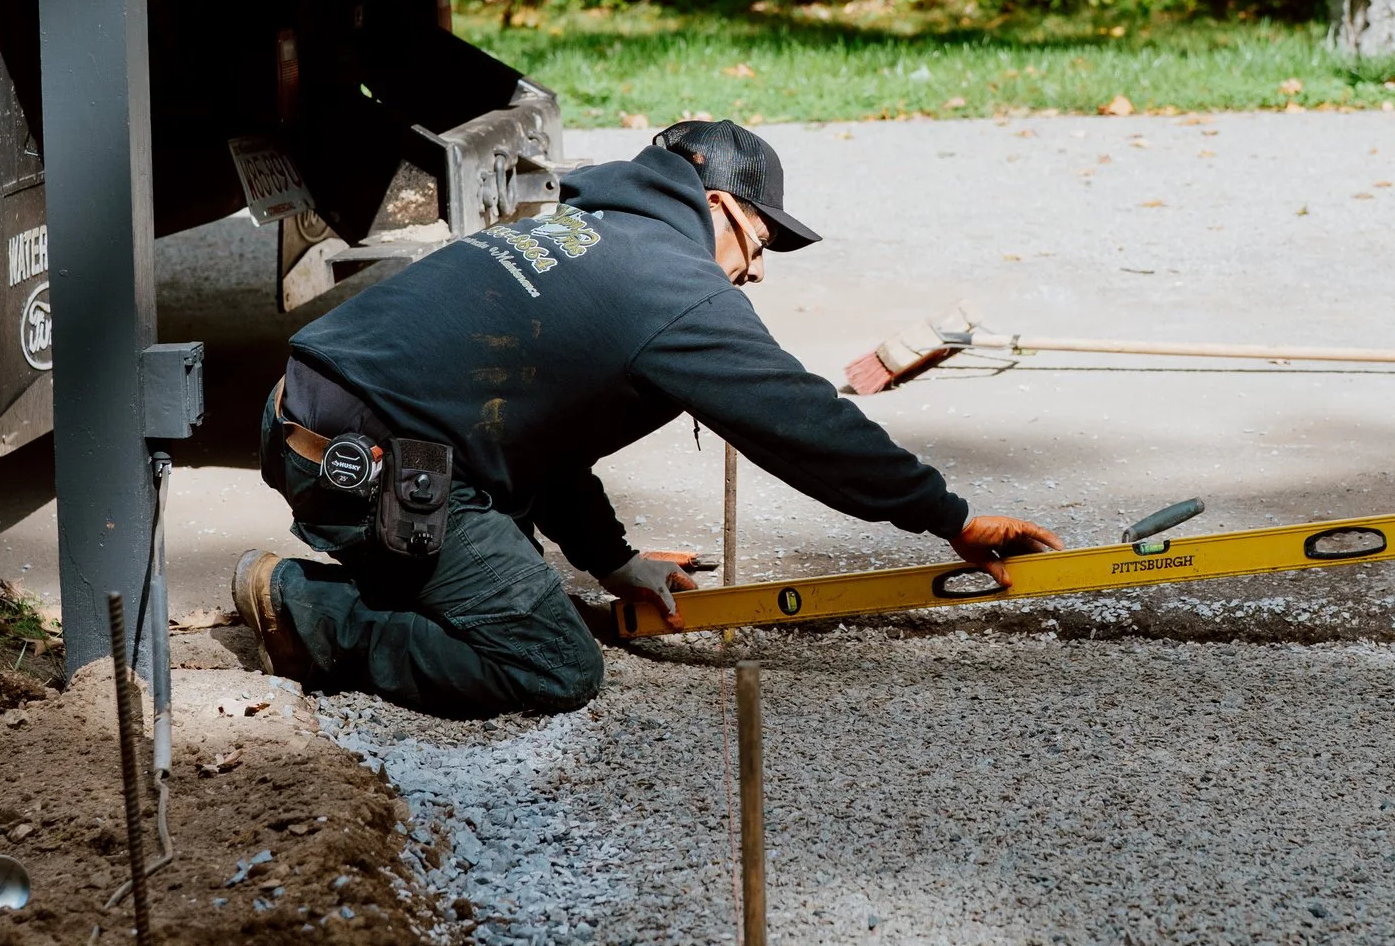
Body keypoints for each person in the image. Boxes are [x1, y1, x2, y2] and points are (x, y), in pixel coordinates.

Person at [231, 114, 1056, 719]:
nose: (755, 274)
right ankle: (303, 608)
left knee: (508, 580)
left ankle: (388, 585)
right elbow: (802, 422)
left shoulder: (585, 231)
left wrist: (613, 561)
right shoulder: (671, 283)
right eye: (760, 246)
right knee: (549, 665)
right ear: (720, 208)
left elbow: (534, 436)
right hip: (365, 462)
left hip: (316, 421)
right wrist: (948, 518)